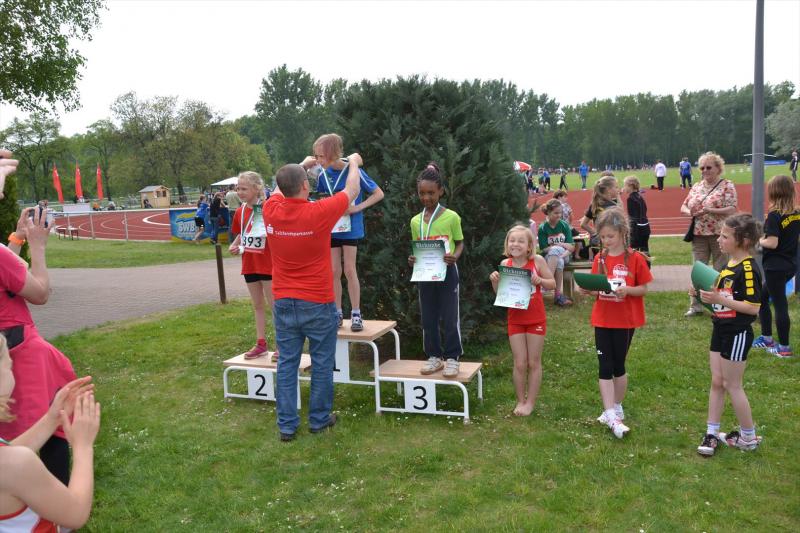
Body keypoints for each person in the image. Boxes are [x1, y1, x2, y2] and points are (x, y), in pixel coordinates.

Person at [267, 156, 363, 441]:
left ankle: (287, 426)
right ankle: (319, 420)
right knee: (322, 362)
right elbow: (352, 191)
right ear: (305, 187)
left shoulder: (271, 209)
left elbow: (279, 188)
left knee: (287, 363)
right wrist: (354, 163)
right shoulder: (318, 212)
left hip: (283, 300)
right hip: (317, 301)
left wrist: (300, 165)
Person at [1, 205, 77, 484]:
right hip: (17, 354)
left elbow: (5, 274)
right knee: (50, 422)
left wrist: (17, 239)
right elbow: (40, 293)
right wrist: (38, 246)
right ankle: (54, 499)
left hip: (8, 349)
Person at [0, 336, 100, 532]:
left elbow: (8, 456)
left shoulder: (10, 463)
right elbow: (75, 514)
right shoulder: (18, 465)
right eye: (8, 364)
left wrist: (51, 419)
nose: (12, 368)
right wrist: (83, 447)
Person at [579, 208, 652, 439]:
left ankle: (617, 406)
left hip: (625, 321)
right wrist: (588, 289)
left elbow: (643, 289)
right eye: (602, 237)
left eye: (610, 236)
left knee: (619, 366)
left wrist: (627, 290)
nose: (606, 241)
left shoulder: (636, 258)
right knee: (604, 365)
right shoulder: (599, 259)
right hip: (602, 319)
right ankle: (610, 413)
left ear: (622, 233)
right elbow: (597, 288)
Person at [693, 214, 762, 456]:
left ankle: (748, 437)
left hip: (737, 333)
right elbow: (722, 296)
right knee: (717, 382)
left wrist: (720, 299)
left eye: (724, 236)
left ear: (743, 240)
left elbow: (753, 308)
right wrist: (704, 294)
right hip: (720, 328)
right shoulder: (727, 264)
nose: (719, 240)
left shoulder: (748, 269)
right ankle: (712, 433)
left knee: (733, 385)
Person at [311, 134, 384, 332]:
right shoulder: (322, 175)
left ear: (333, 153)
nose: (318, 161)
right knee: (334, 271)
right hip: (332, 228)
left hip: (351, 228)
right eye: (316, 156)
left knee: (350, 270)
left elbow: (378, 193)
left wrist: (357, 208)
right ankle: (337, 312)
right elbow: (322, 198)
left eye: (321, 156)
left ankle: (356, 313)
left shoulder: (354, 171)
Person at [489, 225, 555, 416]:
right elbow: (500, 294)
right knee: (519, 363)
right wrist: (495, 281)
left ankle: (530, 402)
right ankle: (520, 400)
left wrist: (540, 281)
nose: (515, 244)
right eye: (512, 240)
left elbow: (552, 284)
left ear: (529, 246)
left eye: (520, 241)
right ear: (507, 244)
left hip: (536, 319)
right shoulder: (506, 264)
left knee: (533, 362)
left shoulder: (537, 261)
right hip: (515, 319)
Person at [408, 162, 464, 378]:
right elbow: (418, 247)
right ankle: (434, 356)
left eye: (431, 193)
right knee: (428, 317)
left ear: (440, 191)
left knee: (450, 316)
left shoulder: (452, 217)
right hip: (425, 274)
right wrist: (413, 259)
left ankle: (452, 358)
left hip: (448, 272)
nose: (426, 197)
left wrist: (455, 256)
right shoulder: (415, 221)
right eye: (422, 193)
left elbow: (459, 243)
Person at [680, 151, 738, 317]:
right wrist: (690, 212)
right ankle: (696, 305)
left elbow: (732, 208)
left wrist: (710, 210)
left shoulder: (727, 185)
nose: (705, 170)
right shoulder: (697, 186)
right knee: (698, 270)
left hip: (720, 235)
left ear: (718, 168)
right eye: (702, 168)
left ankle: (720, 306)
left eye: (709, 167)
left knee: (720, 270)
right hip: (698, 234)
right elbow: (683, 206)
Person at [228, 172, 276, 360]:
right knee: (257, 305)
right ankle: (261, 343)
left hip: (267, 263)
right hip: (249, 263)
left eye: (244, 189)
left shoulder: (266, 208)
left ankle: (282, 345)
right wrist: (234, 244)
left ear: (256, 189)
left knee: (274, 306)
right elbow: (242, 233)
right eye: (238, 188)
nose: (240, 192)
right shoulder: (240, 212)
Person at [752, 175, 800, 357]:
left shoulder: (774, 215)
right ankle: (767, 338)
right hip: (790, 264)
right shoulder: (796, 213)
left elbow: (772, 243)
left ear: (773, 192)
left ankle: (784, 348)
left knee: (780, 305)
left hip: (775, 267)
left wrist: (759, 240)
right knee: (762, 298)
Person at [538, 199, 574, 306]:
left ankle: (546, 283)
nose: (559, 215)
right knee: (559, 261)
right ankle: (557, 296)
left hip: (565, 255)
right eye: (556, 213)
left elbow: (571, 247)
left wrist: (560, 247)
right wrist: (557, 249)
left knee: (556, 252)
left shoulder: (564, 225)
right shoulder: (543, 228)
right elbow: (544, 249)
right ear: (548, 212)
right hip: (549, 258)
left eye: (560, 213)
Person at [579, 173, 620, 258]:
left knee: (600, 263)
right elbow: (618, 226)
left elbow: (583, 224)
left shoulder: (595, 204)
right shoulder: (612, 206)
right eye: (616, 187)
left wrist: (595, 233)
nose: (618, 189)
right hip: (610, 244)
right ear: (608, 189)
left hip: (598, 243)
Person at [623, 176, 650, 255]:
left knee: (633, 251)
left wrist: (630, 231)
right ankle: (646, 263)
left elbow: (632, 217)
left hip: (637, 229)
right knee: (645, 250)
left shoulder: (630, 199)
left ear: (631, 186)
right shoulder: (640, 197)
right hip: (646, 227)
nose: (624, 188)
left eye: (625, 185)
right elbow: (645, 210)